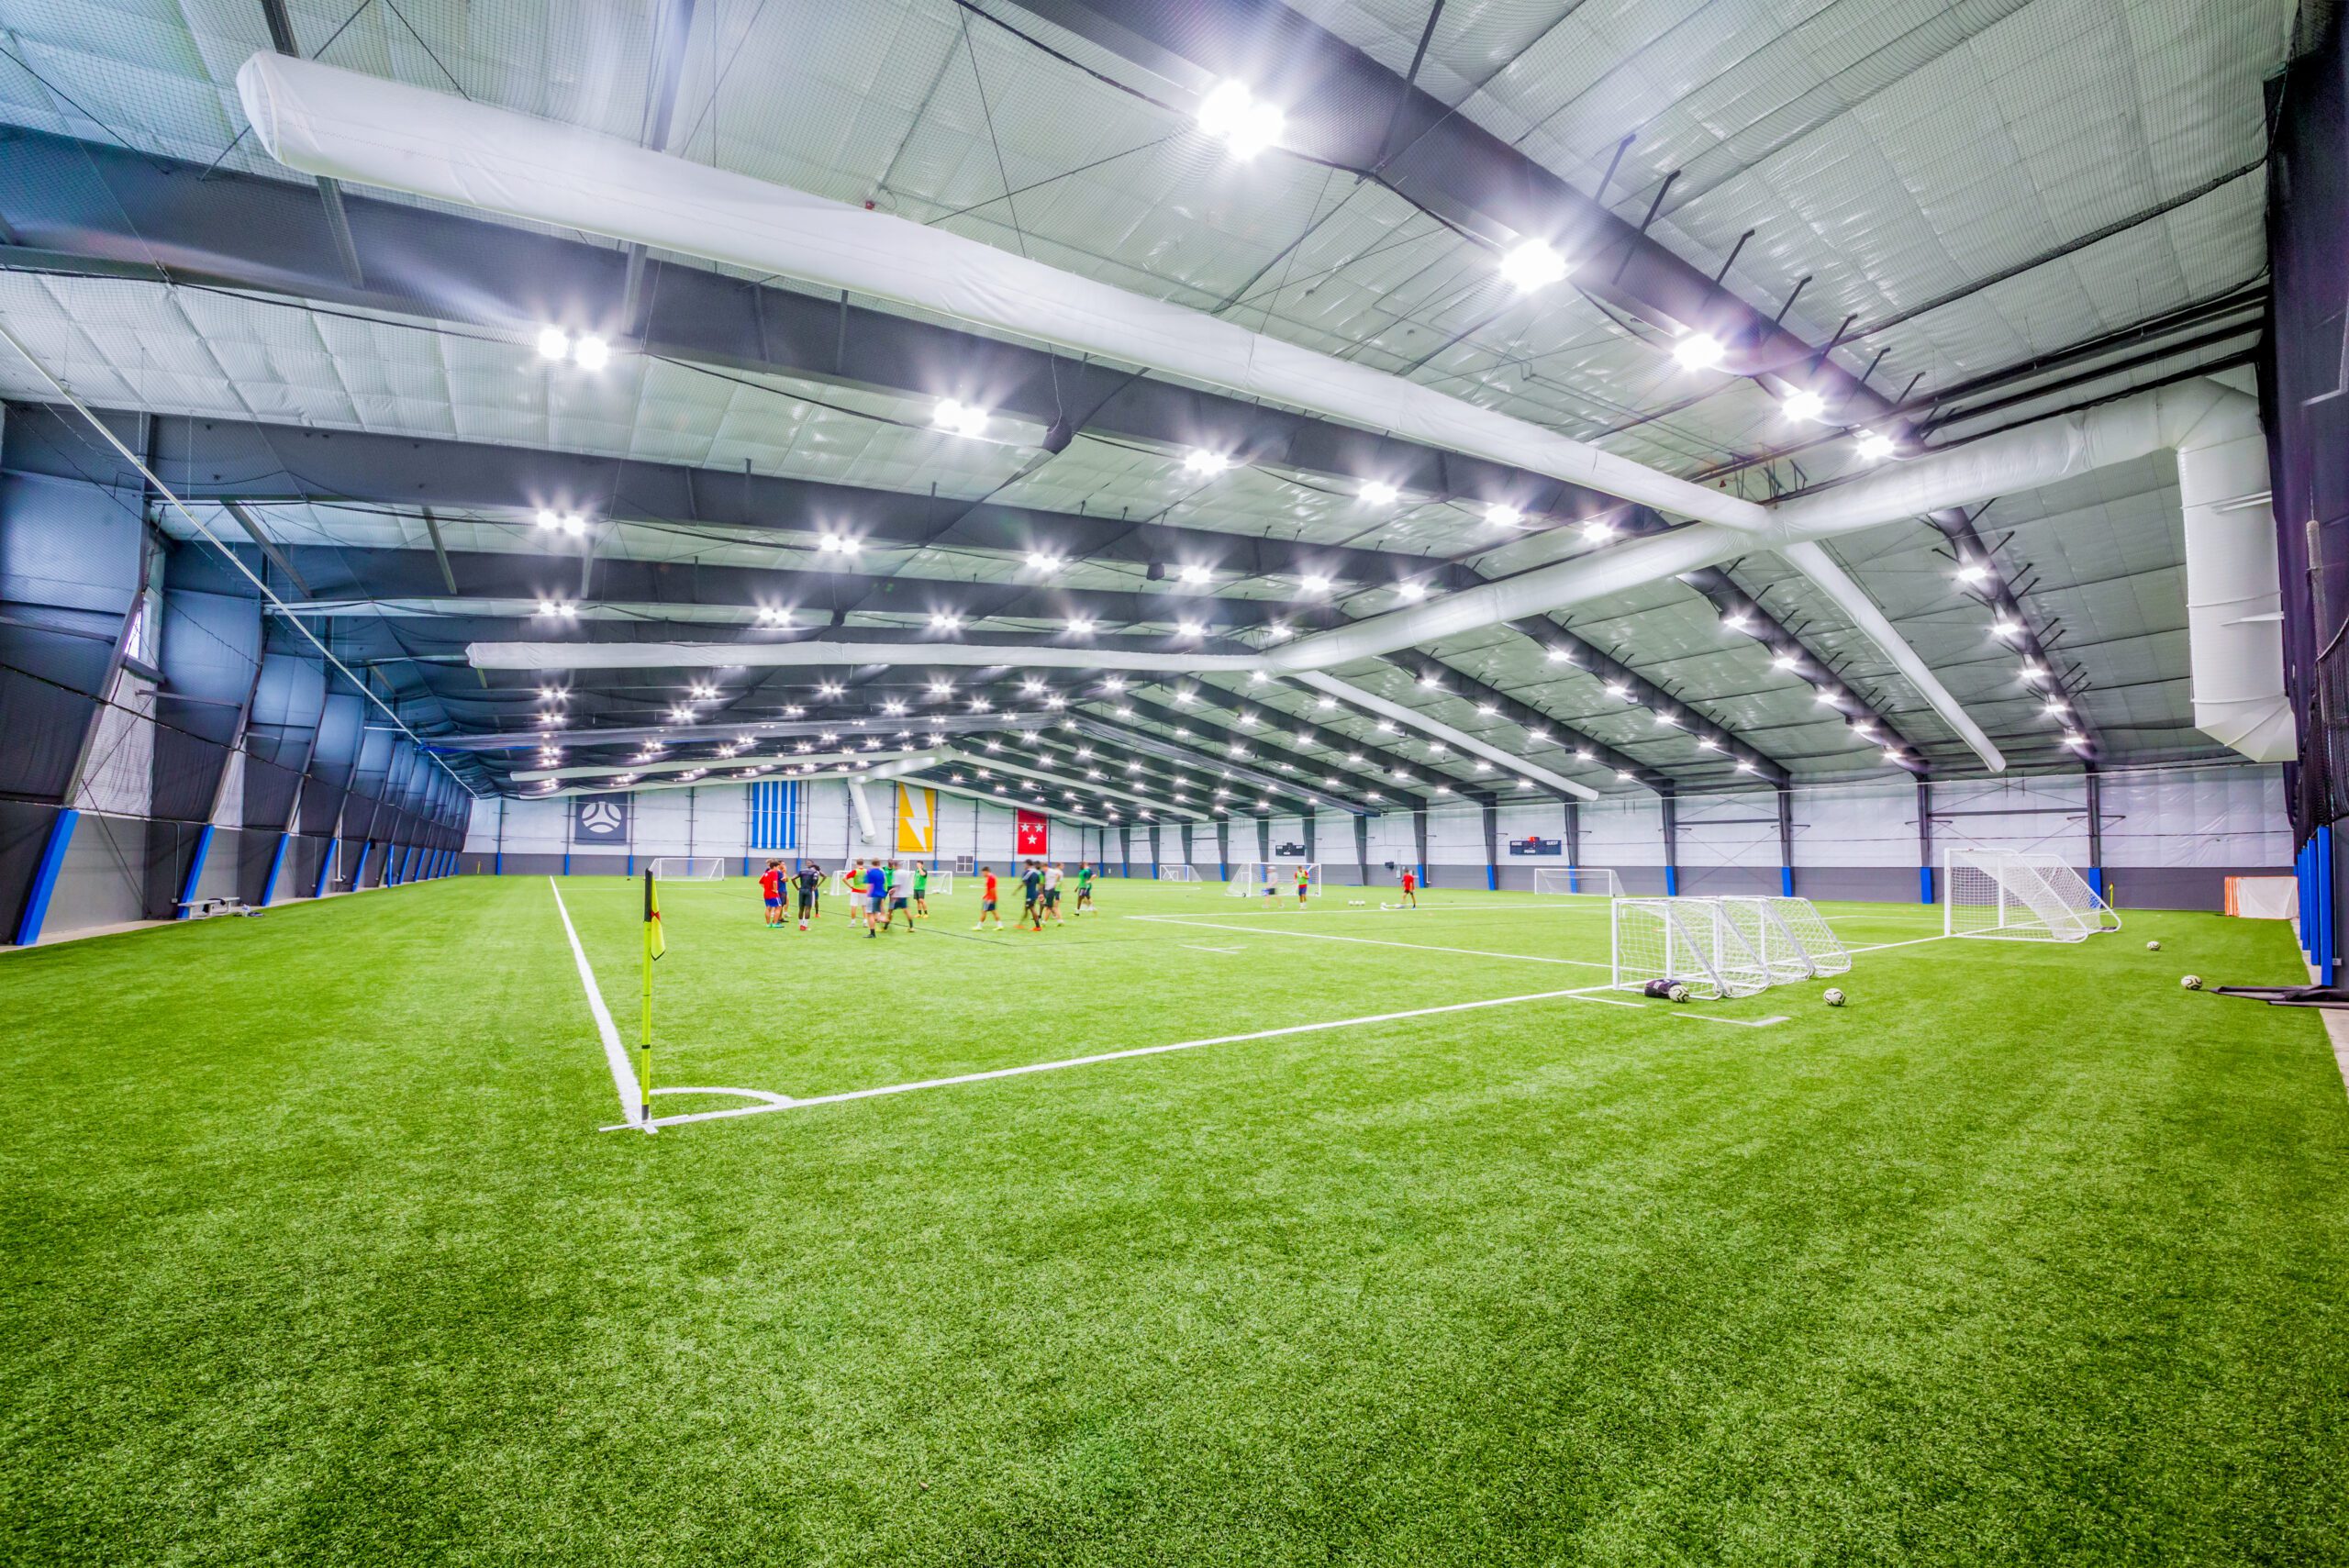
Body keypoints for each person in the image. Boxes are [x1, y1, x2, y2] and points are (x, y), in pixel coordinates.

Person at [863, 859, 889, 937]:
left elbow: (870, 885)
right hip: (880, 895)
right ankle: (884, 920)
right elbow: (883, 882)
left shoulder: (870, 872)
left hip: (872, 895)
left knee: (869, 914)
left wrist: (867, 895)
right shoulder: (882, 872)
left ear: (872, 864)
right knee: (875, 913)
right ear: (879, 864)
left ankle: (872, 933)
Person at [885, 862, 914, 931]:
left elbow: (897, 885)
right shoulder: (906, 873)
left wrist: (894, 893)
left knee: (890, 911)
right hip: (905, 895)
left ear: (894, 866)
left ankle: (885, 928)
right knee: (906, 911)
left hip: (897, 896)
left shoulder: (896, 873)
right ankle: (911, 927)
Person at [974, 864, 1002, 930]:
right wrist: (985, 895)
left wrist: (991, 898)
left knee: (984, 911)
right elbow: (990, 889)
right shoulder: (991, 877)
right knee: (994, 911)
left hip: (989, 899)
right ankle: (1000, 925)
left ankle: (979, 926)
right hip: (990, 897)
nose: (982, 874)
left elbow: (992, 889)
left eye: (983, 872)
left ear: (986, 871)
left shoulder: (990, 878)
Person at [794, 862, 821, 930]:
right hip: (809, 891)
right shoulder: (815, 872)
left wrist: (797, 887)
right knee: (808, 909)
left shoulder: (802, 871)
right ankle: (804, 926)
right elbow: (815, 881)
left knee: (801, 909)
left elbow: (792, 879)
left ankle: (800, 925)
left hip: (801, 891)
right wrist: (814, 887)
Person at [758, 859, 785, 927]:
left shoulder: (766, 873)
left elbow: (760, 882)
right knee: (779, 907)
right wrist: (775, 890)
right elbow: (775, 882)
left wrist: (766, 888)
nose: (778, 868)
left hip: (766, 893)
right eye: (777, 867)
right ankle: (775, 924)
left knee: (768, 908)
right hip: (773, 894)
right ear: (774, 867)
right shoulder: (774, 872)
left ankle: (768, 924)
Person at [1020, 861, 1044, 930]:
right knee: (1027, 908)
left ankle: (1038, 926)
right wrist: (1041, 894)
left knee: (1032, 909)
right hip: (1033, 894)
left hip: (1030, 895)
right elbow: (1041, 884)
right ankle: (1021, 924)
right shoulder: (1039, 873)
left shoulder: (1030, 873)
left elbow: (1024, 882)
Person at [1042, 862, 1065, 926]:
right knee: (1054, 907)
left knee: (1049, 907)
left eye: (1043, 868)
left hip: (1052, 890)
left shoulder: (1052, 871)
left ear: (1045, 866)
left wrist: (1055, 883)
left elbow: (1058, 876)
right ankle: (1060, 920)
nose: (1043, 869)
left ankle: (1044, 922)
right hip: (1051, 890)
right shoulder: (1048, 872)